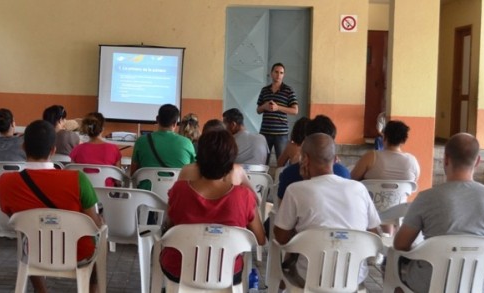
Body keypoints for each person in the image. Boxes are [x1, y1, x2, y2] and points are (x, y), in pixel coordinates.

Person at [393, 133, 484, 292]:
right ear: (478, 161)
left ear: (446, 159)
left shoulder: (426, 198)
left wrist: (422, 249)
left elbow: (400, 244)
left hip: (430, 283)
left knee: (393, 265)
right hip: (480, 283)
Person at [0, 120, 104, 293]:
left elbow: (15, 220)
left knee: (30, 235)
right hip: (79, 253)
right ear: (53, 150)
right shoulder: (77, 179)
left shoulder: (5, 182)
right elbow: (94, 223)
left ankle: (41, 290)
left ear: (23, 147)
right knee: (99, 240)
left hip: (35, 252)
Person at [273, 133, 381, 287]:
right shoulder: (359, 189)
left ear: (305, 159)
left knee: (288, 263)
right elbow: (374, 235)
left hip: (309, 276)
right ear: (336, 158)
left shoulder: (295, 190)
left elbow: (281, 238)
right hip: (353, 277)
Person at [163, 130, 266, 284]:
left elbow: (170, 228)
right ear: (231, 161)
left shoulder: (179, 190)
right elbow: (260, 239)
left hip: (179, 269)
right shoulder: (244, 196)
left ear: (199, 159)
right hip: (227, 272)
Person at [277, 115, 350, 199]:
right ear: (332, 142)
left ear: (307, 139)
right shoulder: (344, 173)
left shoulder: (289, 174)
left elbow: (282, 208)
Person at [130, 104, 196, 179]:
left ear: (157, 119)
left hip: (146, 189)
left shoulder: (141, 141)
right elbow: (193, 173)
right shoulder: (187, 143)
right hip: (177, 189)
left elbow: (133, 174)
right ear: (175, 123)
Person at [257, 63, 299, 164]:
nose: (278, 75)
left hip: (281, 134)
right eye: (276, 72)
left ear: (283, 75)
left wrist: (278, 108)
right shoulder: (264, 90)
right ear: (271, 73)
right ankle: (263, 180)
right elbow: (258, 110)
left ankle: (280, 180)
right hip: (265, 132)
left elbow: (295, 111)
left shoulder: (288, 90)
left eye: (281, 73)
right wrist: (265, 106)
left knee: (282, 162)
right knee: (262, 162)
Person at [351, 120, 420, 182]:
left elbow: (351, 179)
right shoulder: (412, 161)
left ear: (384, 137)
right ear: (404, 141)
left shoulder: (371, 157)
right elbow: (413, 184)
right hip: (400, 196)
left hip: (370, 196)